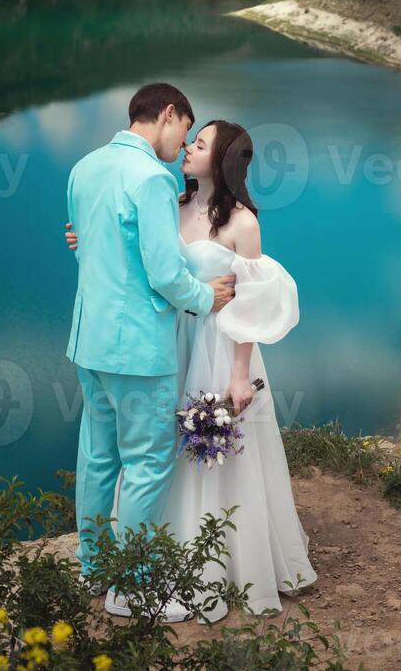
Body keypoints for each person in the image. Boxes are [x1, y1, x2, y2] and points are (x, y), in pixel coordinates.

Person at [67, 114, 318, 622]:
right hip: (166, 338)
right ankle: (151, 554)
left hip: (217, 345)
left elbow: (248, 304)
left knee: (211, 453)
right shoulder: (171, 200)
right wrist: (86, 240)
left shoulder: (243, 221)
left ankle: (219, 565)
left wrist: (240, 373)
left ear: (221, 159)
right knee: (156, 449)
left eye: (199, 143)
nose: (187, 147)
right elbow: (142, 262)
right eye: (190, 136)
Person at [65, 82, 236, 624]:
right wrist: (206, 298)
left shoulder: (84, 168)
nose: (183, 142)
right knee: (146, 464)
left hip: (87, 341)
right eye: (186, 127)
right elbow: (163, 273)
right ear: (168, 113)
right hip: (137, 349)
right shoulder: (152, 180)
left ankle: (93, 568)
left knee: (97, 458)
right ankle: (131, 587)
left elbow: (91, 253)